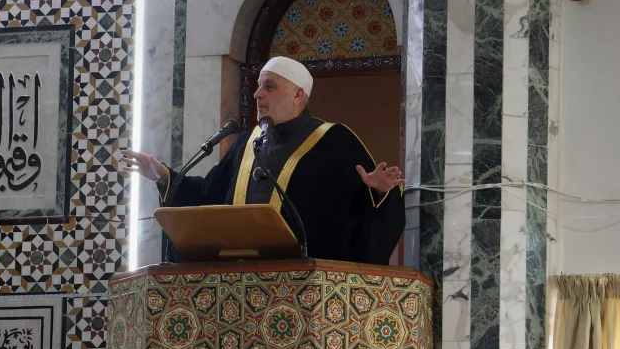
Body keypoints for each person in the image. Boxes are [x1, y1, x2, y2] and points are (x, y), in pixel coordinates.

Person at [119, 56, 405, 265]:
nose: (258, 94)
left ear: (298, 95)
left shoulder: (335, 140)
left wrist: (379, 193)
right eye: (258, 86)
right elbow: (209, 195)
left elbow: (360, 223)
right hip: (236, 279)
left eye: (269, 86)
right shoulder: (247, 141)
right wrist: (164, 176)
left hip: (304, 288)